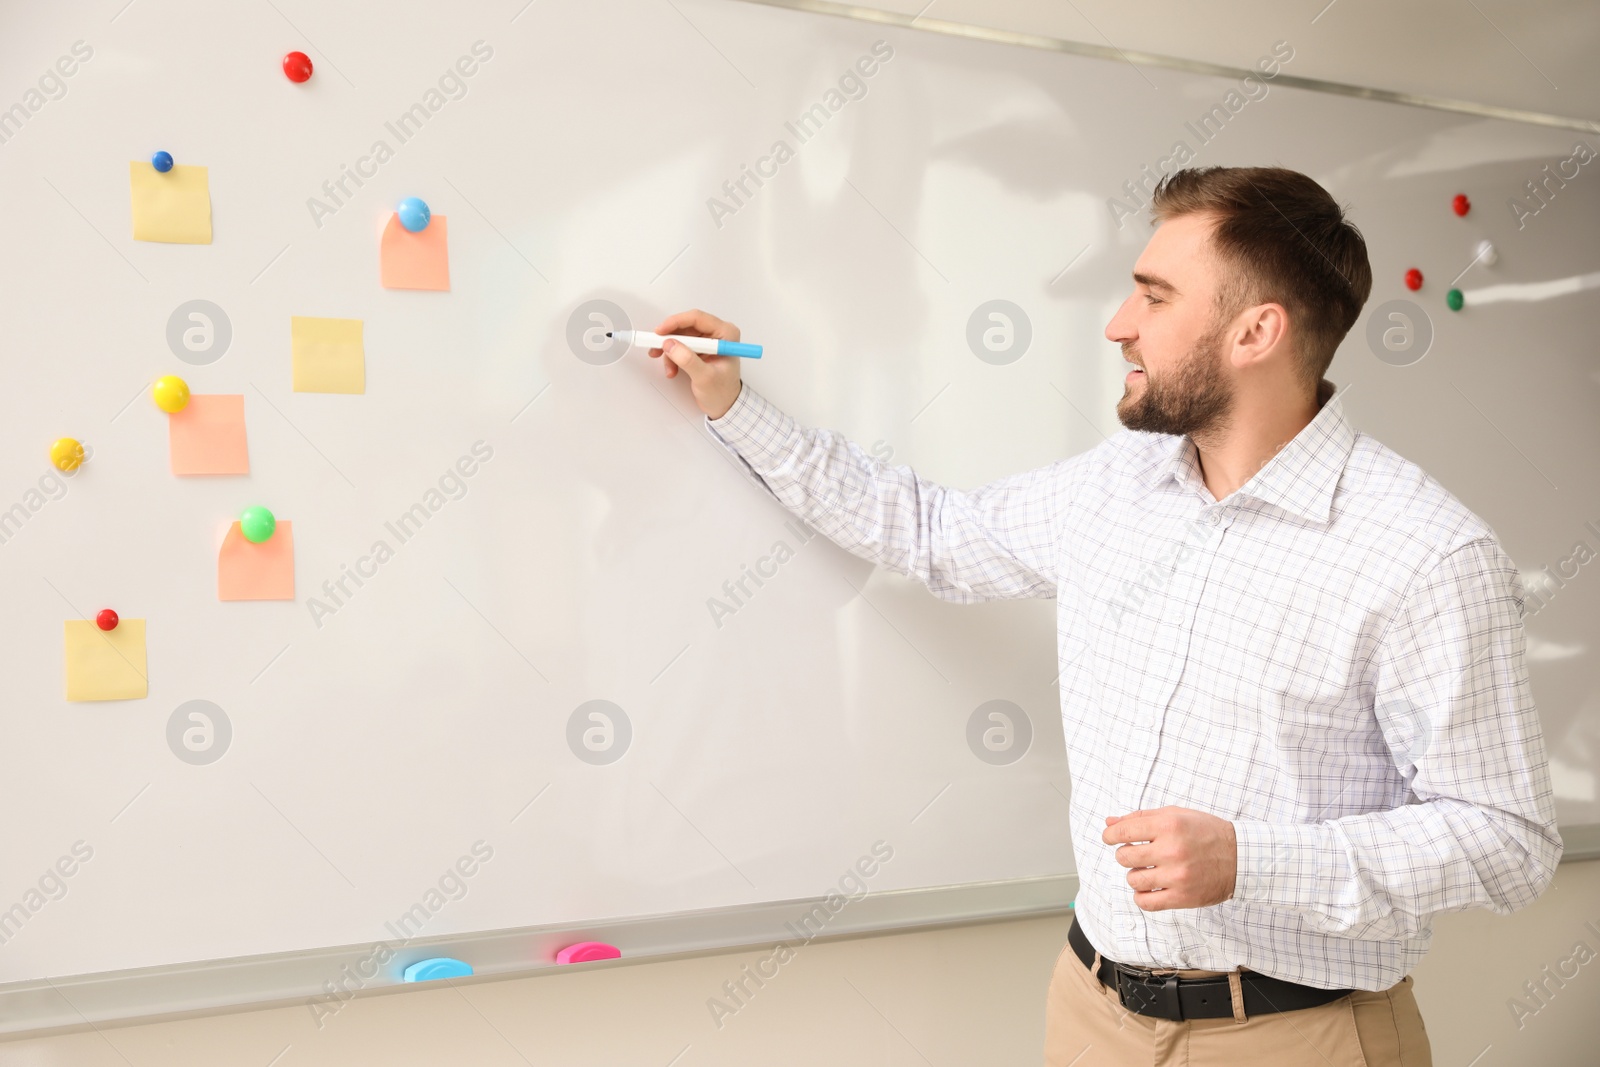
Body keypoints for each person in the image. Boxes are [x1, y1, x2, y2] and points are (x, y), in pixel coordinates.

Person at [646, 165, 1561, 1066]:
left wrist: (1254, 859)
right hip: (1095, 1013)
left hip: (1298, 1037)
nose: (1119, 325)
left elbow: (1507, 839)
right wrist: (734, 404)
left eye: (1154, 298)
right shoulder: (1117, 487)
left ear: (1256, 331)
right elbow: (932, 530)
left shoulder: (1425, 554)